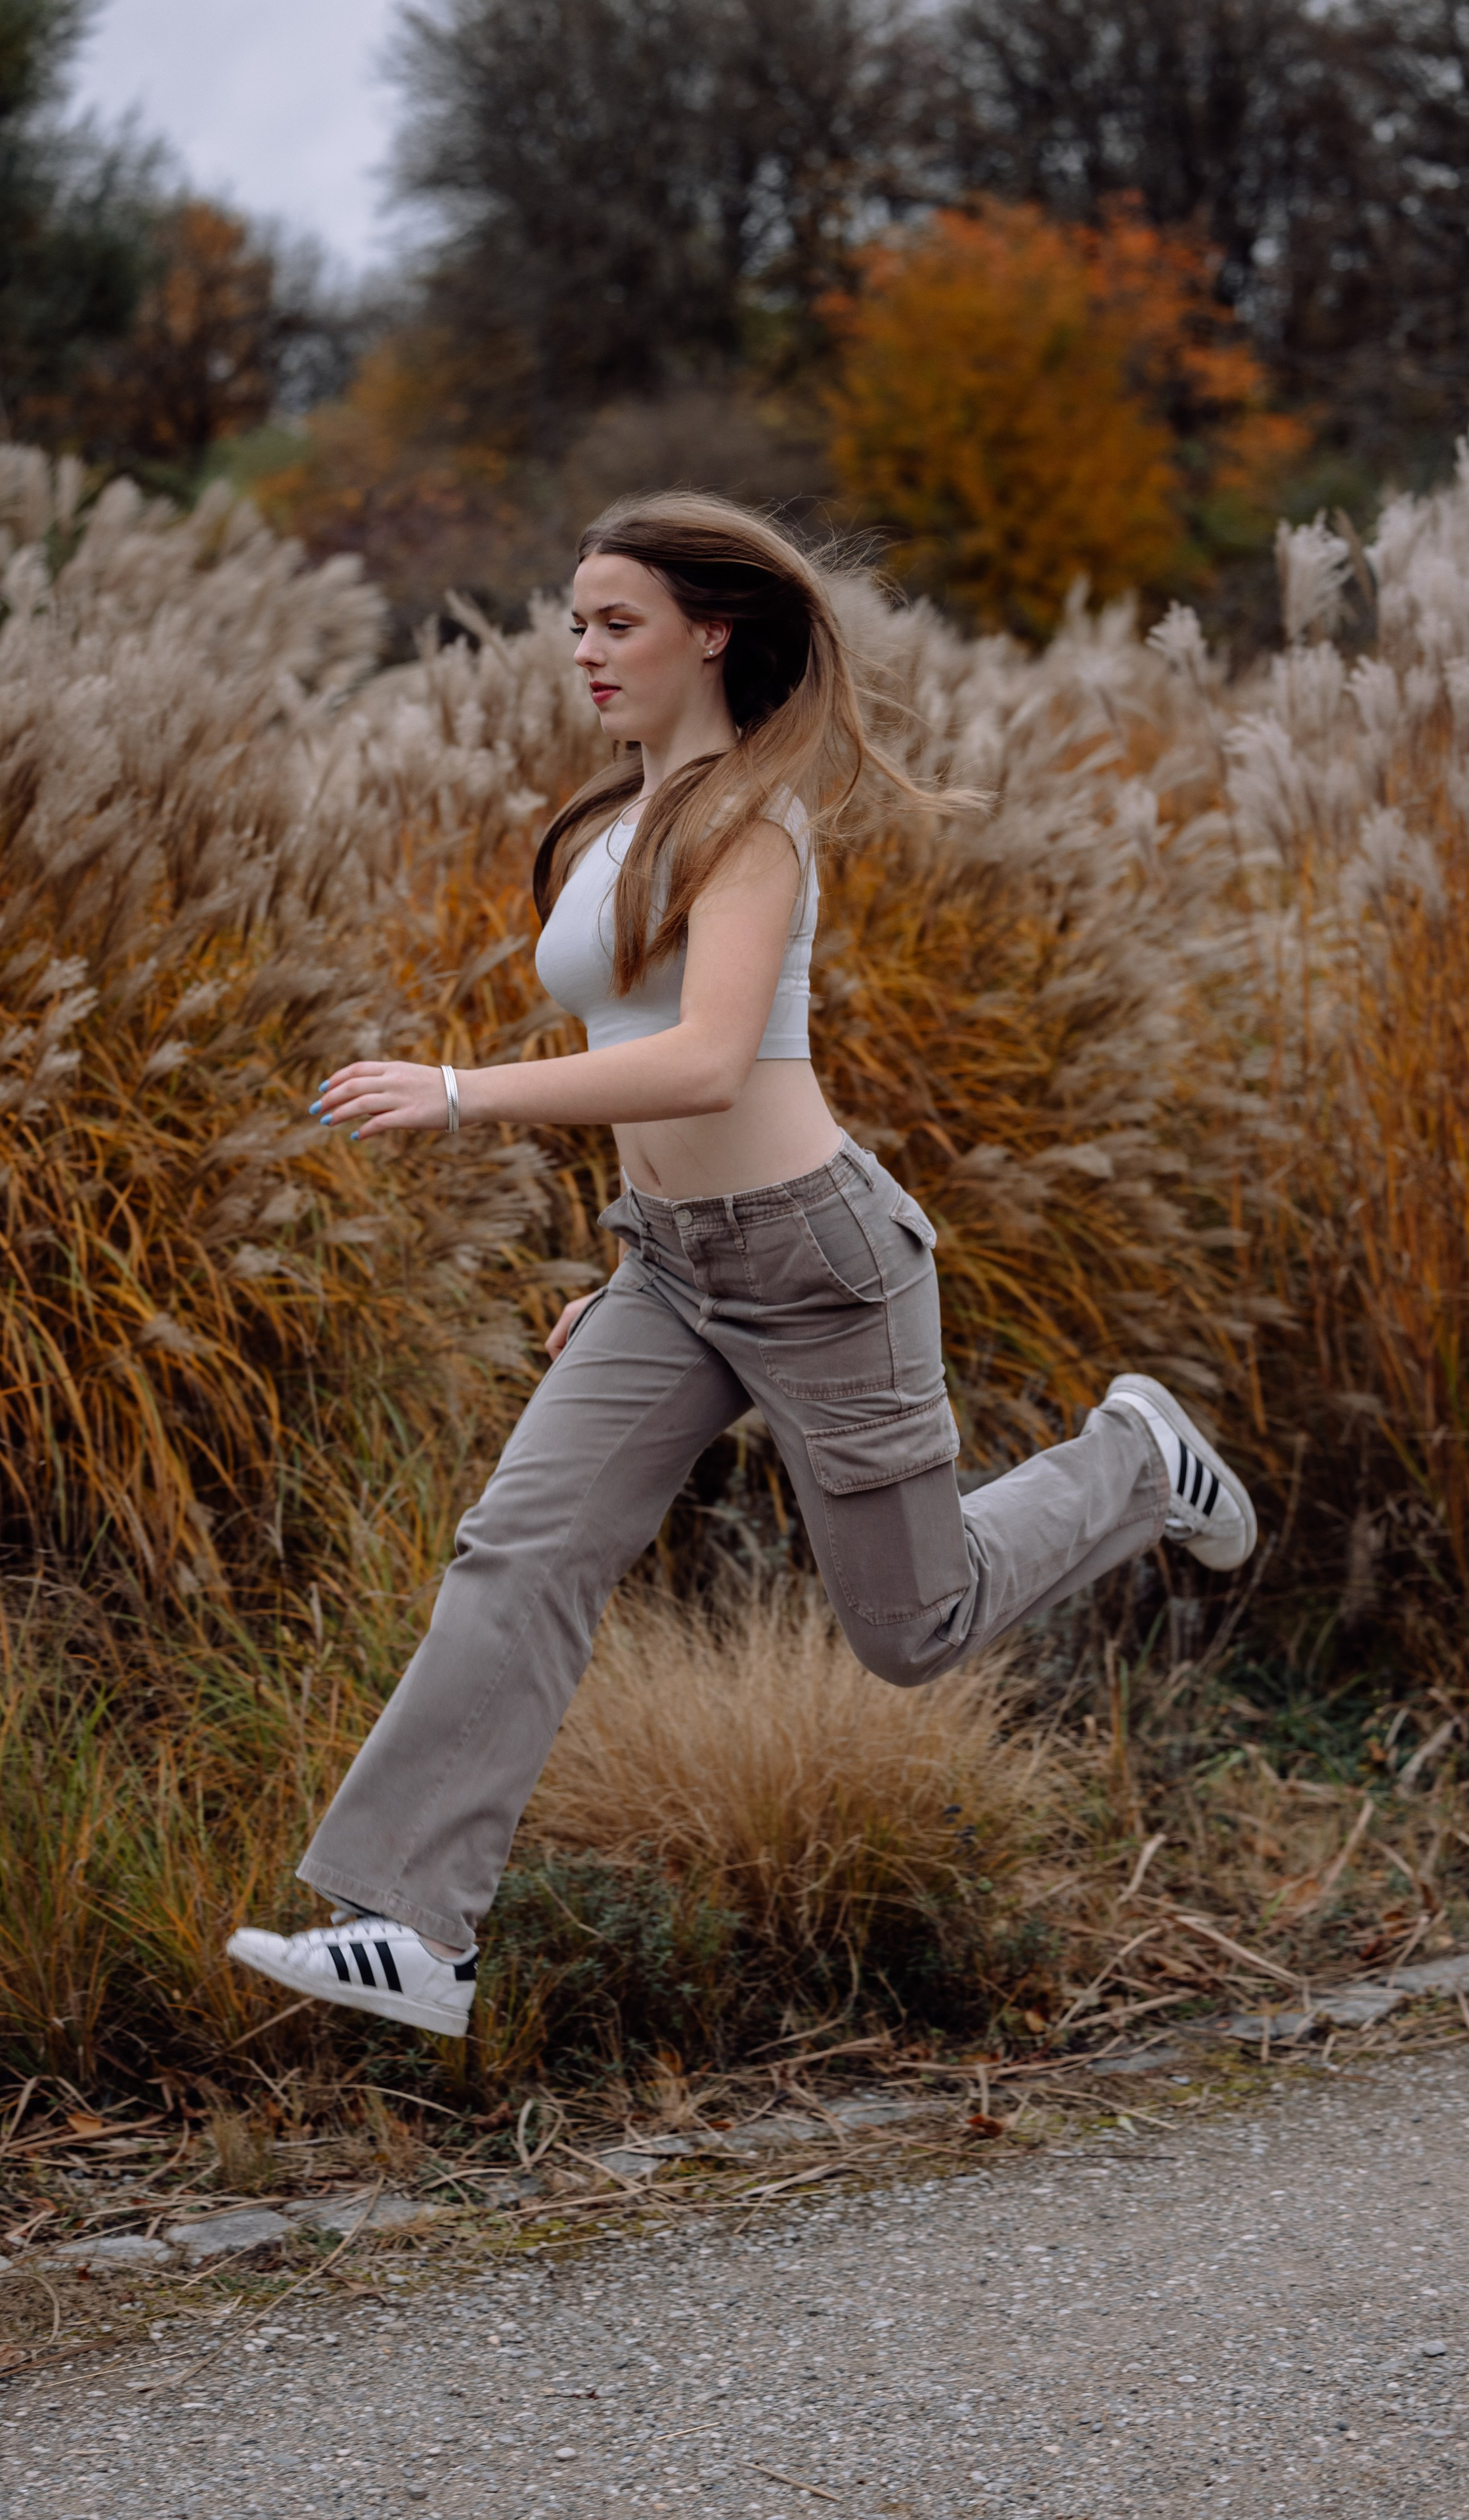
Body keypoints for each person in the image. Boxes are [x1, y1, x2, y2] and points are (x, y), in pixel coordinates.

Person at [227, 494, 1256, 2037]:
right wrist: (630, 1253)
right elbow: (629, 1054)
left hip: (816, 1260)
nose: (583, 649)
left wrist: (456, 1090)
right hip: (672, 1267)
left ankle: (1132, 1457)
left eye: (617, 621)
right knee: (521, 1546)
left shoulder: (754, 824)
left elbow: (708, 1063)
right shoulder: (606, 825)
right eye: (573, 620)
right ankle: (414, 1931)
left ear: (712, 632)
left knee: (911, 1630)